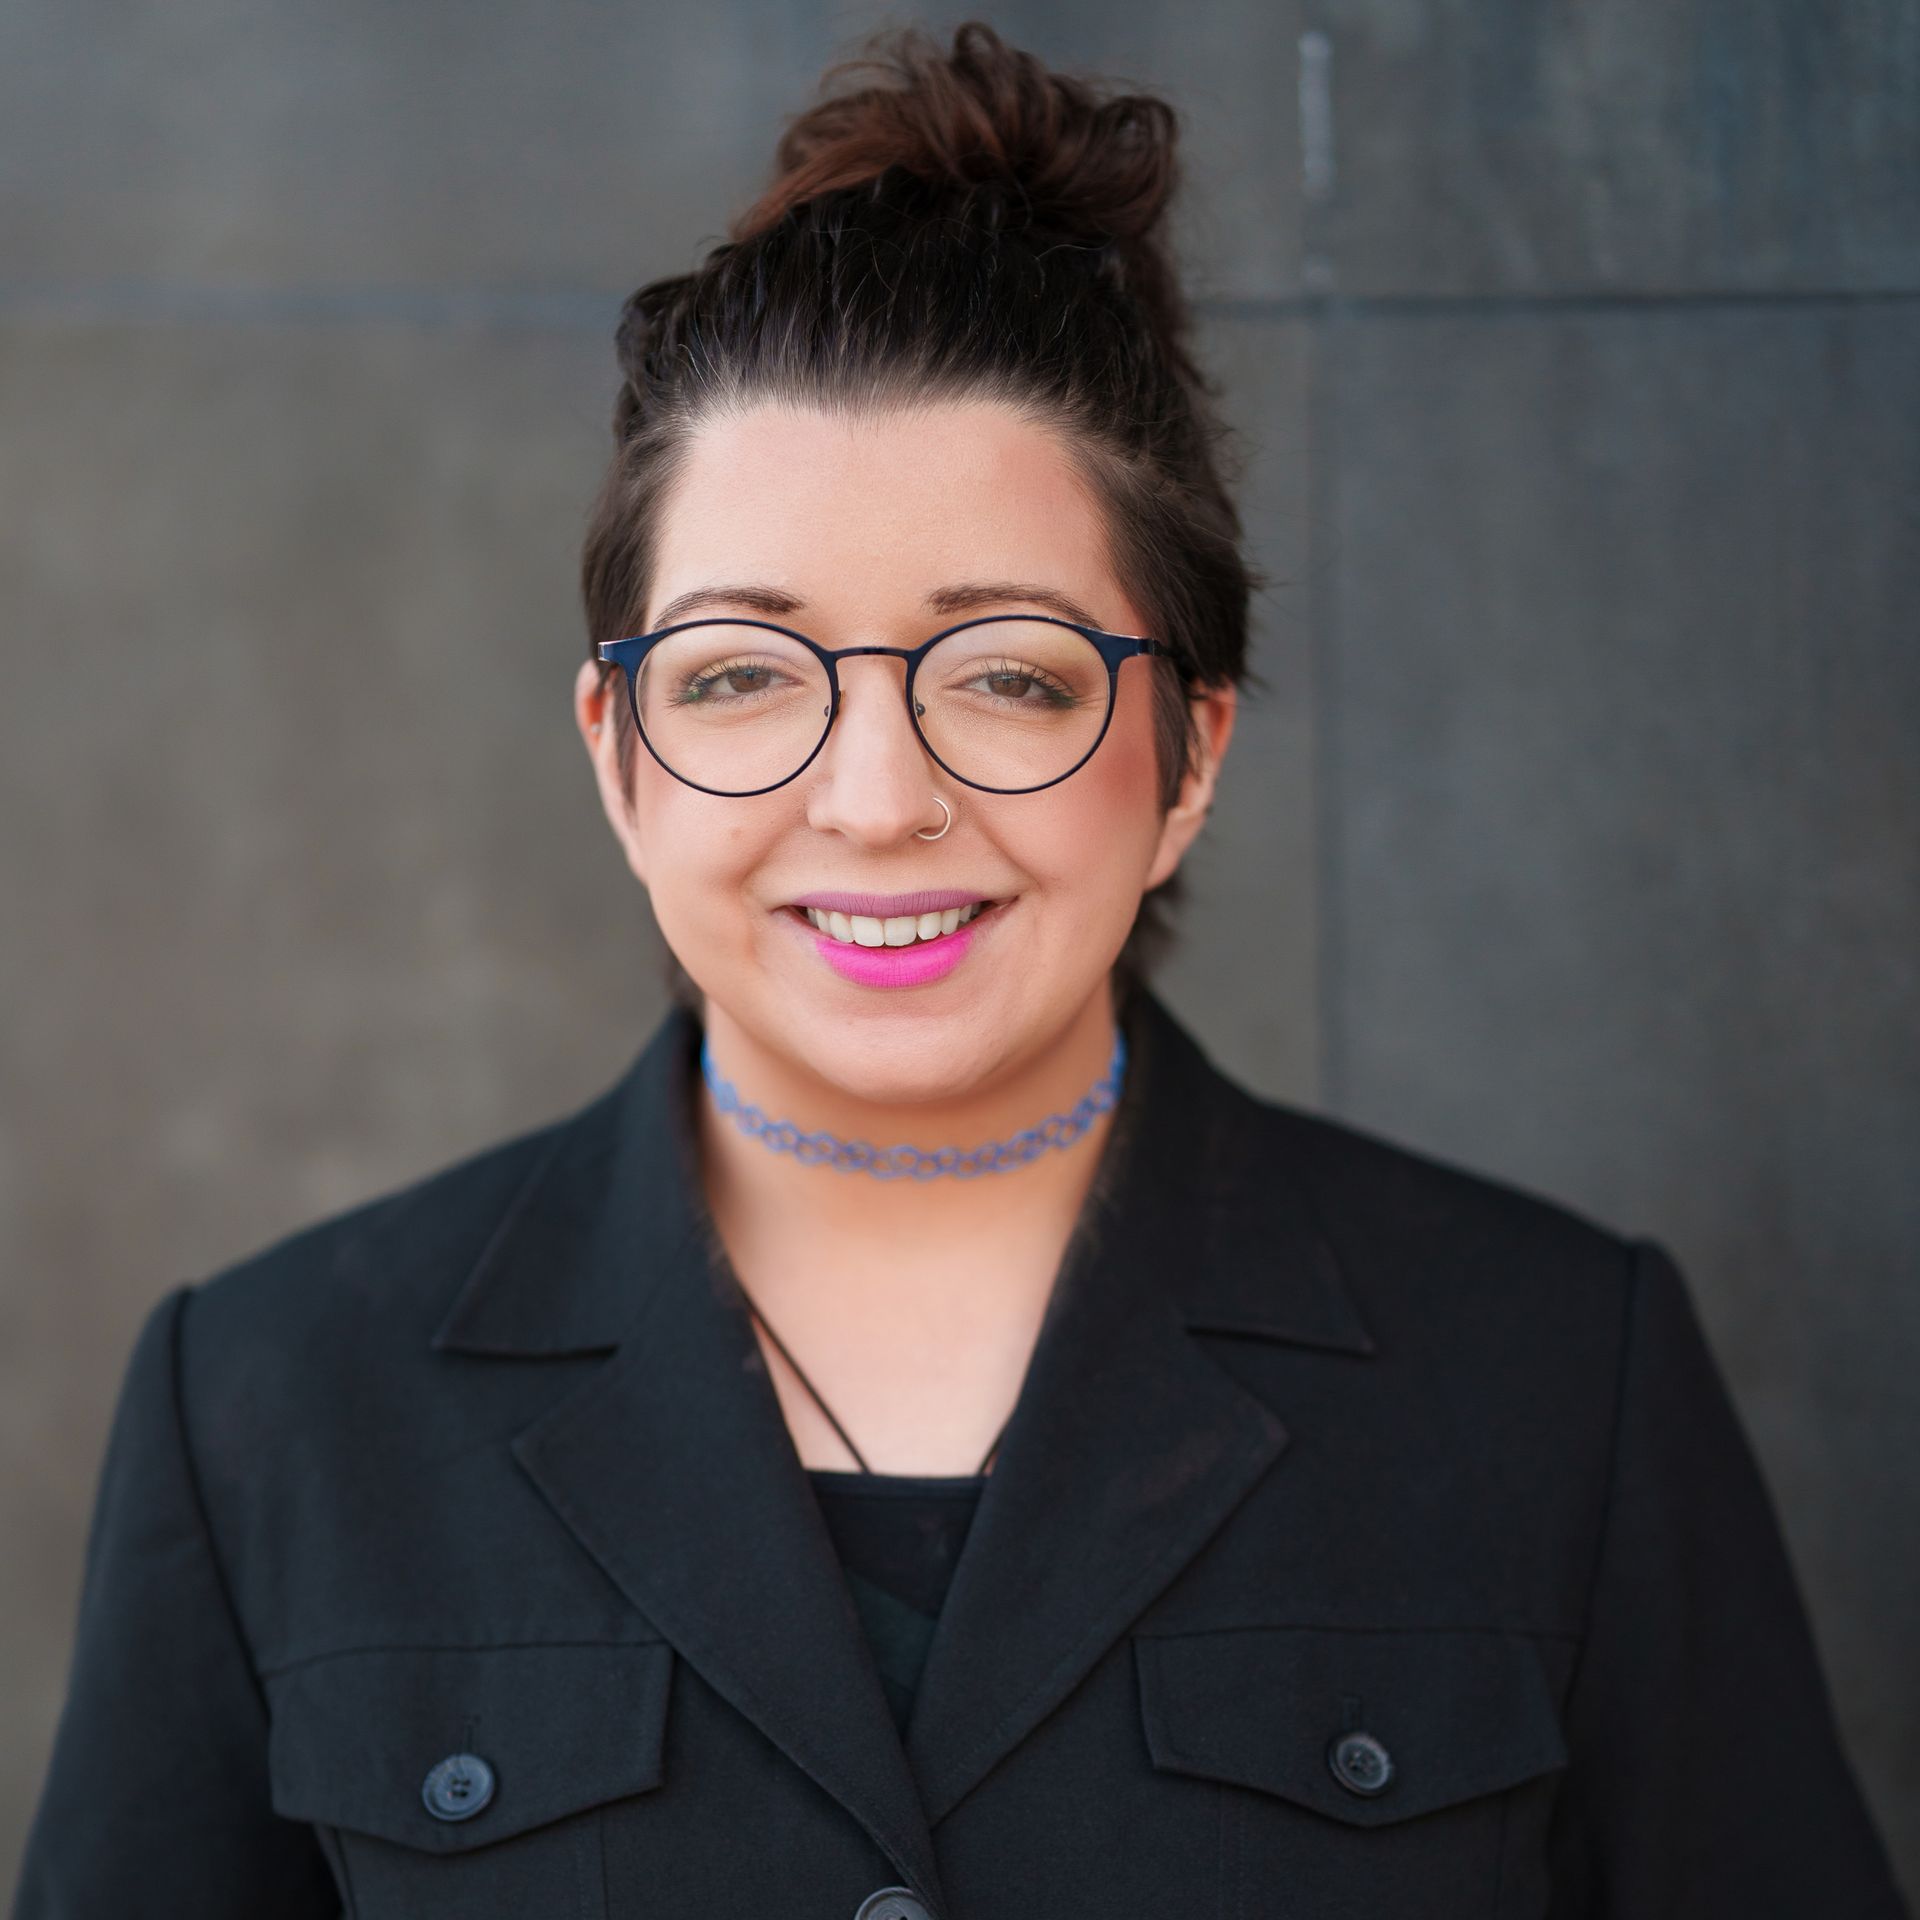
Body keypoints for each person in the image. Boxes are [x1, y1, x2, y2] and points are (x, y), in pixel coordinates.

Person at [13, 22, 1909, 1920]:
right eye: (742, 676)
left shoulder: (1554, 1378)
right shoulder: (276, 1404)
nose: (872, 799)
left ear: (1192, 758)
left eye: (1006, 673)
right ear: (618, 755)